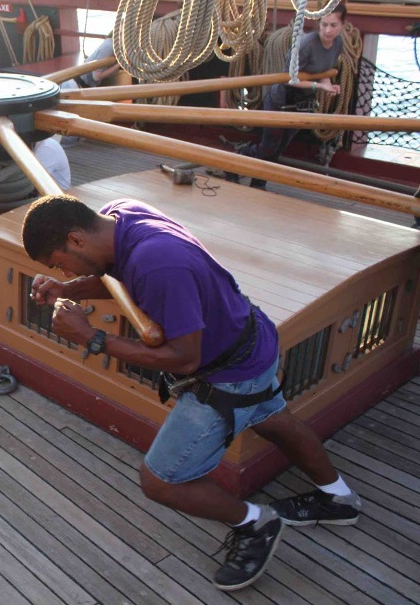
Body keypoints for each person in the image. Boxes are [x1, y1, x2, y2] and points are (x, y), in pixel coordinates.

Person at [20, 195, 361, 592]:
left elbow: (184, 359)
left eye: (60, 263)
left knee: (160, 481)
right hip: (251, 340)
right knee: (274, 420)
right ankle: (339, 499)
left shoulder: (158, 262)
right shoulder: (122, 214)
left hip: (230, 374)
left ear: (77, 239)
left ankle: (256, 522)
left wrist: (92, 337)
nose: (63, 271)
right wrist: (69, 288)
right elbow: (117, 272)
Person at [233, 3, 347, 189]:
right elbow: (289, 78)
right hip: (282, 99)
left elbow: (324, 70)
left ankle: (258, 184)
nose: (328, 30)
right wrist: (319, 86)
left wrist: (327, 85)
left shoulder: (338, 44)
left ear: (342, 25)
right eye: (324, 24)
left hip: (303, 102)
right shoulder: (306, 45)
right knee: (268, 147)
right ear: (318, 23)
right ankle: (235, 162)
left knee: (279, 148)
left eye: (333, 25)